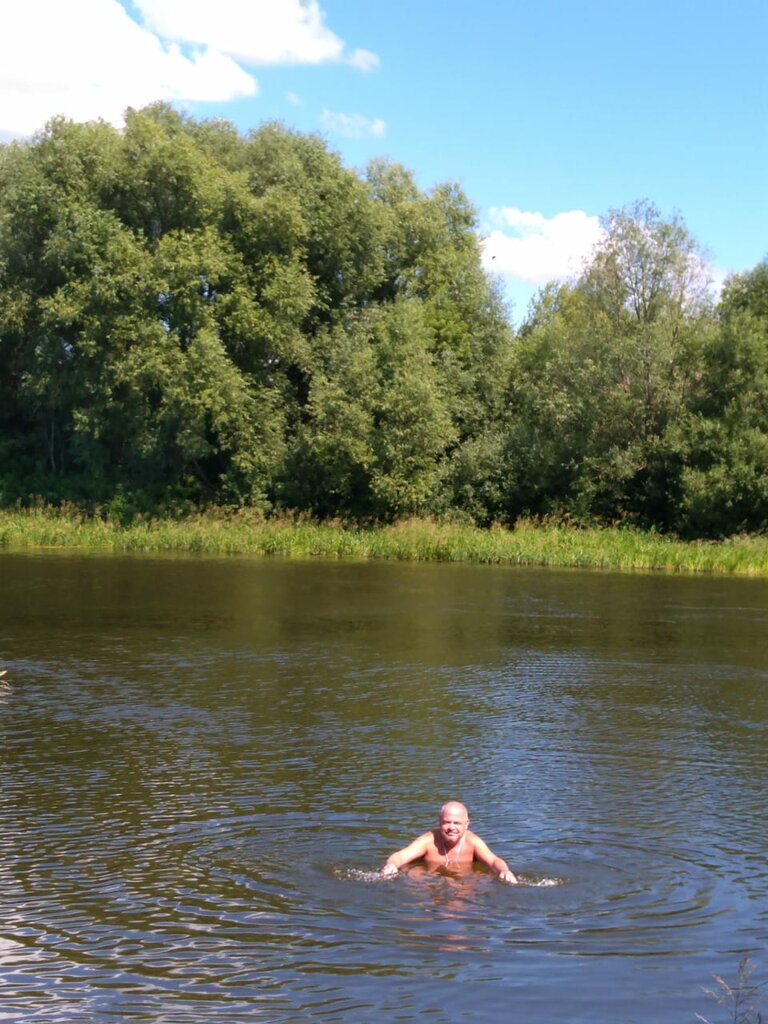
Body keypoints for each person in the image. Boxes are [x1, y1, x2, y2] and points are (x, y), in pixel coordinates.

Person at [380, 800, 518, 883]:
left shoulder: (472, 842)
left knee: (483, 880)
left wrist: (504, 871)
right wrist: (391, 865)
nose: (451, 827)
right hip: (432, 883)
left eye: (456, 823)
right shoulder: (429, 840)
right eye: (446, 822)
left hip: (465, 883)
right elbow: (401, 856)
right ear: (439, 822)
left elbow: (493, 861)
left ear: (466, 824)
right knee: (414, 873)